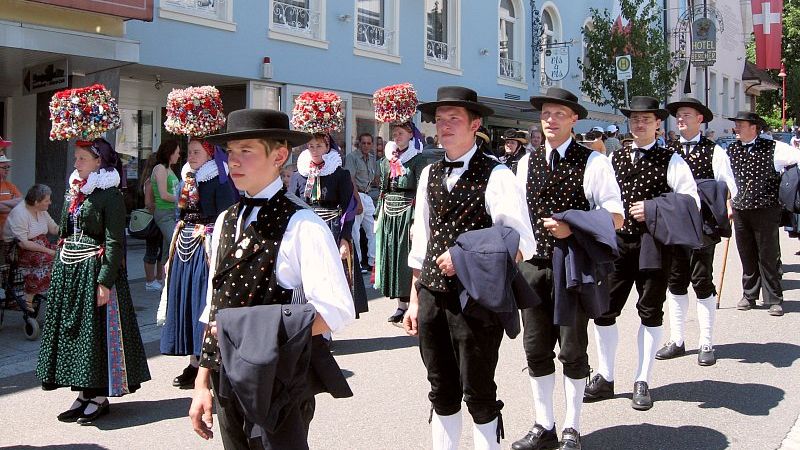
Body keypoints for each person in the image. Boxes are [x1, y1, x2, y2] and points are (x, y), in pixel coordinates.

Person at [190, 109, 355, 448]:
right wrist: (201, 383)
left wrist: (258, 332)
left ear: (279, 156)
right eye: (231, 153)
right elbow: (214, 306)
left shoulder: (304, 225)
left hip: (278, 382)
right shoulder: (224, 220)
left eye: (246, 151)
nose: (234, 161)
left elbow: (337, 310)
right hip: (226, 380)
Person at [404, 86, 536, 450]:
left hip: (475, 300)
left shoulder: (497, 174)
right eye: (440, 119)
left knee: (478, 390)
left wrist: (467, 256)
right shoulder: (429, 172)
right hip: (431, 294)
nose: (444, 126)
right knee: (440, 388)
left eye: (454, 119)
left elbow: (521, 243)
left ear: (475, 123)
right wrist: (414, 300)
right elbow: (422, 240)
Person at [512, 88, 624, 450]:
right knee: (535, 349)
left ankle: (572, 426)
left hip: (572, 266)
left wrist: (572, 226)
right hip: (532, 268)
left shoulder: (593, 162)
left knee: (572, 349)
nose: (550, 120)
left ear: (574, 119)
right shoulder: (525, 163)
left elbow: (616, 217)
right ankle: (544, 425)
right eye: (546, 113)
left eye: (559, 114)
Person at [585, 96, 699, 411]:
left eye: (645, 119)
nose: (639, 124)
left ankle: (642, 379)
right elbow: (597, 199)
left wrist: (651, 209)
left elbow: (691, 202)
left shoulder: (672, 159)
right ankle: (605, 377)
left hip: (654, 245)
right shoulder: (613, 159)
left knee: (650, 311)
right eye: (635, 119)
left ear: (657, 123)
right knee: (604, 311)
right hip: (617, 246)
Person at [36, 138, 151, 424]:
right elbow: (64, 230)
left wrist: (105, 281)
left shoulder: (109, 195)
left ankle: (98, 395)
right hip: (71, 272)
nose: (76, 164)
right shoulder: (75, 191)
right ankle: (83, 393)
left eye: (82, 159)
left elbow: (114, 242)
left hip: (94, 272)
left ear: (99, 162)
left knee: (96, 334)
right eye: (75, 159)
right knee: (76, 335)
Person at [656, 97, 738, 366]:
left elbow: (727, 186)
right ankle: (677, 340)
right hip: (673, 226)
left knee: (702, 281)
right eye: (678, 115)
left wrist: (727, 207)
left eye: (686, 115)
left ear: (700, 119)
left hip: (702, 226)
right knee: (675, 281)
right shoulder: (667, 150)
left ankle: (706, 342)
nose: (681, 119)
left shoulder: (714, 151)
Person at [158, 139, 236, 389]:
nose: (191, 156)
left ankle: (210, 362)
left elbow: (227, 217)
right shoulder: (185, 180)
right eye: (189, 152)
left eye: (196, 152)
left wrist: (221, 251)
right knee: (187, 301)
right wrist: (170, 258)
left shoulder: (218, 181)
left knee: (203, 303)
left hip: (206, 246)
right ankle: (194, 361)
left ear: (210, 153)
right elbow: (178, 215)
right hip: (184, 245)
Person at [727, 111, 800, 316]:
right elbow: (726, 178)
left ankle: (774, 298)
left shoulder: (774, 148)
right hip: (741, 209)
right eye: (736, 125)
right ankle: (749, 295)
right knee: (746, 254)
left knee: (768, 255)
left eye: (740, 125)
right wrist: (728, 203)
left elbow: (797, 158)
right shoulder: (731, 149)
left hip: (767, 209)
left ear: (754, 128)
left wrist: (789, 186)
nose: (737, 129)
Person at [289, 132, 368, 317]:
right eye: (311, 146)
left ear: (327, 147)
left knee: (329, 279)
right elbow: (291, 206)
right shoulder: (298, 175)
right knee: (308, 280)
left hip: (331, 230)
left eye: (319, 146)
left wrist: (345, 239)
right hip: (306, 232)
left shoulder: (340, 174)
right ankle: (310, 324)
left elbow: (349, 206)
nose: (315, 150)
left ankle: (327, 327)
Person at [375, 120, 428, 324]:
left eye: (400, 133)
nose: (397, 137)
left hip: (408, 210)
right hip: (390, 211)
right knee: (393, 256)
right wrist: (379, 214)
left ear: (410, 135)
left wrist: (416, 219)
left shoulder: (417, 159)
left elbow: (421, 192)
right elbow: (383, 190)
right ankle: (400, 305)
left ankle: (414, 302)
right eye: (394, 133)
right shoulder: (387, 160)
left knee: (406, 257)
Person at [3, 184, 59, 313]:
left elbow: (54, 229)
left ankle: (55, 291)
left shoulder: (42, 210)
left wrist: (71, 228)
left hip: (41, 245)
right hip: (18, 250)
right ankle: (29, 295)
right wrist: (50, 251)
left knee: (65, 254)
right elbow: (23, 243)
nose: (50, 203)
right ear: (36, 202)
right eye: (47, 200)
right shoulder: (20, 213)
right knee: (48, 257)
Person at [344, 132, 378, 272]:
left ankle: (372, 261)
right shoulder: (352, 157)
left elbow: (376, 179)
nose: (366, 146)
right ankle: (356, 263)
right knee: (355, 232)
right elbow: (350, 180)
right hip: (356, 195)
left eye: (368, 143)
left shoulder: (372, 158)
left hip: (368, 195)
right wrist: (357, 201)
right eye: (363, 143)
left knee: (374, 230)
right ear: (358, 143)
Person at [152, 139, 181, 290]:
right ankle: (169, 282)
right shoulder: (160, 169)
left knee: (166, 250)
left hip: (172, 213)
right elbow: (163, 195)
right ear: (170, 153)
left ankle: (166, 282)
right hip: (164, 213)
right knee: (175, 243)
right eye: (177, 152)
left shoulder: (169, 169)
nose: (179, 155)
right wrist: (182, 199)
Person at [140, 154, 165, 291]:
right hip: (154, 219)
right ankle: (150, 281)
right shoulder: (150, 181)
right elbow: (148, 203)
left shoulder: (154, 179)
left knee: (161, 250)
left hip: (159, 218)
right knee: (152, 250)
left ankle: (159, 278)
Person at [0, 152, 23, 235]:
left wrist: (2, 204)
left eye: (8, 167)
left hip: (8, 234)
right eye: (4, 167)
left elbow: (21, 203)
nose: (7, 169)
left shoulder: (10, 186)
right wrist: (11, 206)